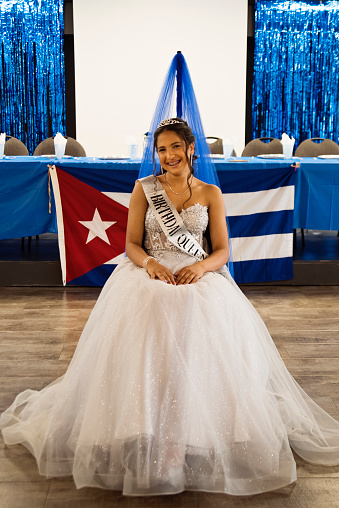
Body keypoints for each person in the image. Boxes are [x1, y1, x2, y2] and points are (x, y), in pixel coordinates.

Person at [1, 118, 339, 497]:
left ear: (190, 148)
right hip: (151, 273)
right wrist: (151, 264)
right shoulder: (144, 189)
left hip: (197, 273)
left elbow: (223, 251)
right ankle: (144, 427)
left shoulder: (211, 192)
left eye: (175, 147)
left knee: (197, 320)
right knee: (153, 324)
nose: (168, 156)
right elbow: (131, 244)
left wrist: (200, 266)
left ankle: (189, 434)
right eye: (161, 150)